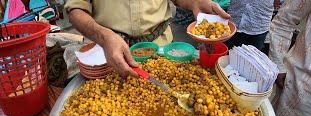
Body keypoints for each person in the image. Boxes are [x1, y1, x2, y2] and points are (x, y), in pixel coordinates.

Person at [64, 0, 230, 77]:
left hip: (163, 49)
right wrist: (104, 36)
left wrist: (195, 3)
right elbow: (76, 10)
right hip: (112, 53)